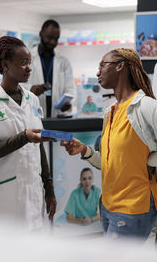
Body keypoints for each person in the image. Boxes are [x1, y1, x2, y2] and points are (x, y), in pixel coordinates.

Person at [61, 48, 157, 240]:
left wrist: (152, 161)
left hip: (133, 207)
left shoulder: (146, 107)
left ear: (120, 66)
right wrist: (85, 150)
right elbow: (110, 163)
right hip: (107, 206)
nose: (98, 72)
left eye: (102, 66)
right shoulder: (110, 112)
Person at [0, 36, 56, 231]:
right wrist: (24, 137)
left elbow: (39, 146)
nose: (29, 68)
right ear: (6, 64)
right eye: (24, 63)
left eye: (30, 62)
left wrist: (49, 189)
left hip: (33, 192)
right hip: (5, 195)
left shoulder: (33, 100)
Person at [22, 19, 75, 118]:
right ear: (41, 34)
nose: (53, 42)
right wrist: (30, 89)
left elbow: (70, 89)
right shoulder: (27, 58)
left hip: (57, 117)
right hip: (33, 118)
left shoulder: (64, 62)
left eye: (56, 38)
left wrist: (67, 103)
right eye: (50, 37)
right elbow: (17, 85)